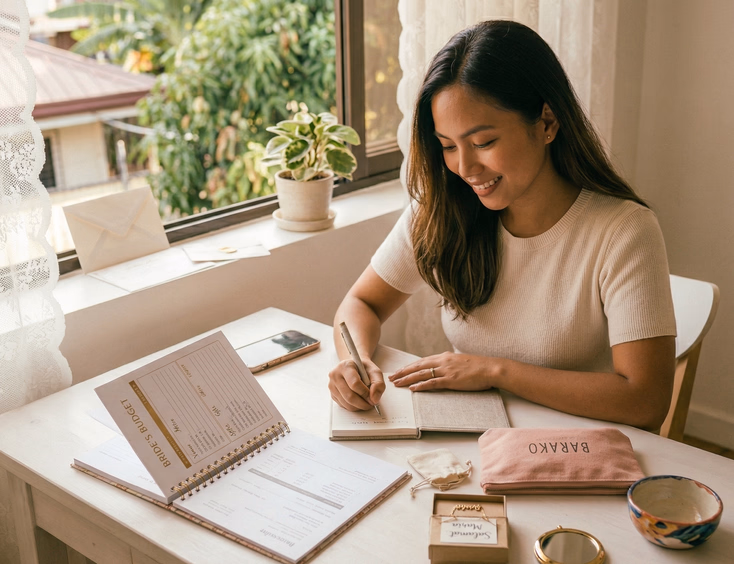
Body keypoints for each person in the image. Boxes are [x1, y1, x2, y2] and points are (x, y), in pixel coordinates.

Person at [328, 20, 677, 431]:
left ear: (547, 122)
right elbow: (362, 304)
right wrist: (355, 359)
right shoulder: (442, 211)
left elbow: (646, 401)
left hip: (577, 454)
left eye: (483, 143)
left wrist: (496, 372)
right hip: (473, 443)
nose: (464, 167)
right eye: (447, 146)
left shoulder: (624, 232)